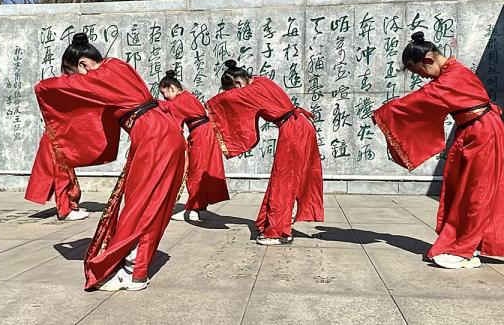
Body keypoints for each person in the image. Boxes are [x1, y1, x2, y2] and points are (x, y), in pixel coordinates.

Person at [34, 33, 186, 291]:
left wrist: (68, 83)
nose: (77, 80)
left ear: (83, 65)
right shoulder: (117, 65)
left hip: (152, 136)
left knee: (140, 205)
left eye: (75, 74)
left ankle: (133, 271)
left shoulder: (97, 76)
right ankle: (136, 268)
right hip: (164, 131)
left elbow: (45, 87)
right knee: (152, 203)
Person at [373, 31, 504, 269]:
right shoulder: (451, 74)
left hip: (482, 132)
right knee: (462, 189)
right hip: (473, 130)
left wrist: (388, 112)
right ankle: (466, 243)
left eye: (419, 71)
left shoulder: (452, 77)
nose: (422, 77)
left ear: (429, 60)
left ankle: (463, 249)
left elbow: (426, 98)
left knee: (476, 192)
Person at [206, 60, 324, 245]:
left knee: (283, 180)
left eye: (232, 89)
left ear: (237, 83)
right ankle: (274, 223)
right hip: (299, 125)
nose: (234, 94)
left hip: (293, 131)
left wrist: (209, 106)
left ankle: (278, 232)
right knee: (287, 179)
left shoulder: (251, 91)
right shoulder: (261, 81)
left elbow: (222, 102)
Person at [158, 70, 229, 221]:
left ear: (172, 88)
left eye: (165, 93)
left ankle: (195, 208)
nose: (164, 97)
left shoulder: (178, 101)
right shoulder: (187, 96)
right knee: (204, 170)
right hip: (207, 132)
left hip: (201, 135)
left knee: (196, 171)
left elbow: (172, 122)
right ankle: (200, 207)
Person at [25, 133, 89, 221]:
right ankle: (65, 210)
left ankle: (70, 206)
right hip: (56, 137)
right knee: (62, 174)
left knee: (67, 172)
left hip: (60, 135)